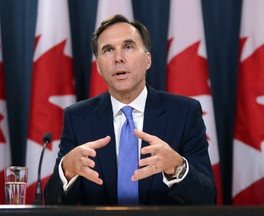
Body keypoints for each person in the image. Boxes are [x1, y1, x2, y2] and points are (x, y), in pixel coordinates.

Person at [44, 14, 216, 205]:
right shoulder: (77, 118)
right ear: (99, 67)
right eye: (108, 50)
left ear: (148, 60)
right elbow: (53, 203)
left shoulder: (184, 113)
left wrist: (177, 167)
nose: (118, 58)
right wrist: (66, 170)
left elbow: (207, 199)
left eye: (128, 47)